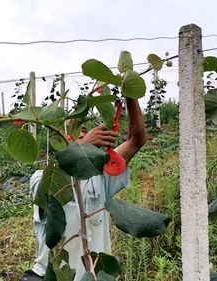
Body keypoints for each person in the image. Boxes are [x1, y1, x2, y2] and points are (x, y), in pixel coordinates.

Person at [20, 97, 146, 281]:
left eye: (85, 130)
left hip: (92, 275)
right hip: (51, 276)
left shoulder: (99, 174)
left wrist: (129, 95)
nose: (83, 135)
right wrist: (83, 146)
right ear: (58, 141)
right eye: (75, 131)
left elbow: (137, 139)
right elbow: (51, 194)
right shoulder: (42, 177)